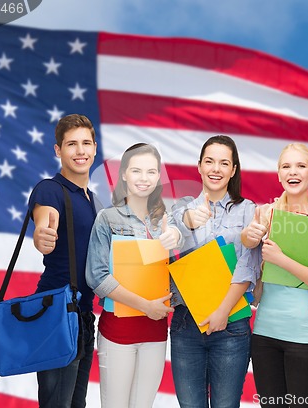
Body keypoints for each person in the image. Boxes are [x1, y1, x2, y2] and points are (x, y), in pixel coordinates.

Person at [241, 143, 308, 408]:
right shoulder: (264, 213)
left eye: (300, 166)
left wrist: (282, 260)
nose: (292, 172)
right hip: (264, 335)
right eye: (286, 166)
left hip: (306, 338)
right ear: (278, 174)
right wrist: (249, 237)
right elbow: (246, 250)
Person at [85, 143, 182, 408]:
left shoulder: (166, 220)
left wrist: (177, 236)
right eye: (137, 170)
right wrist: (145, 306)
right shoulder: (107, 218)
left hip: (155, 332)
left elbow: (177, 272)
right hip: (118, 332)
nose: (144, 178)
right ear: (124, 174)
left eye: (151, 171)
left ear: (158, 177)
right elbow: (97, 277)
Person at [170, 135, 258, 408]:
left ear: (233, 170)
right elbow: (170, 238)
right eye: (209, 161)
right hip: (186, 325)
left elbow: (249, 265)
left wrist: (223, 312)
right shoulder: (181, 208)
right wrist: (188, 221)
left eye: (224, 163)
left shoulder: (248, 211)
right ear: (199, 166)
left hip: (231, 326)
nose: (216, 169)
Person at [28, 114, 98, 408]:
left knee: (76, 404)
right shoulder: (50, 189)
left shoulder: (94, 200)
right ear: (58, 150)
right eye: (71, 144)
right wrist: (42, 236)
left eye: (85, 143)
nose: (80, 151)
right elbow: (45, 222)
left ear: (95, 148)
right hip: (56, 313)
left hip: (83, 314)